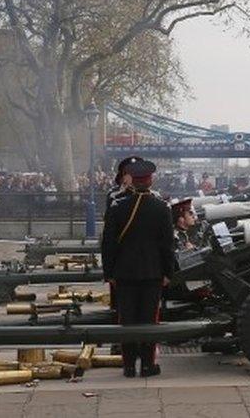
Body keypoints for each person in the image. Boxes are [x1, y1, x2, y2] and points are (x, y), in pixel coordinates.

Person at [101, 158, 175, 378]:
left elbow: (109, 244)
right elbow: (167, 245)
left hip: (124, 273)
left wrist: (109, 273)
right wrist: (168, 273)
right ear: (151, 180)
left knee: (127, 319)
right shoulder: (162, 207)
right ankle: (147, 364)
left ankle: (128, 365)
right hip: (152, 273)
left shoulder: (117, 207)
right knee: (149, 320)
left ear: (132, 180)